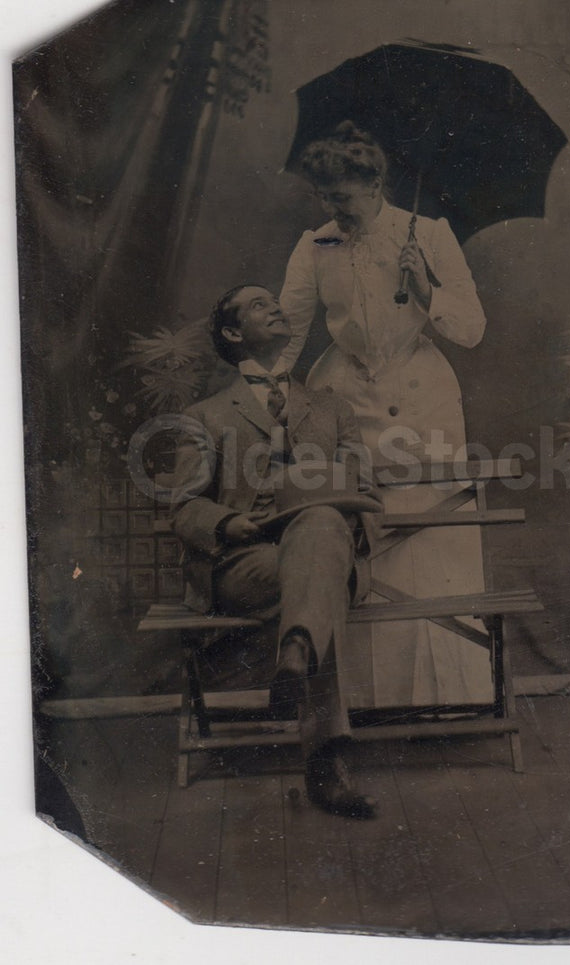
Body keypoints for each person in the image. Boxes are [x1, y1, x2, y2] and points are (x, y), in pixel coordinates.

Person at [279, 121, 492, 708]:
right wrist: (269, 391)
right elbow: (289, 331)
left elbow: (472, 329)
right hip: (344, 400)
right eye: (324, 198)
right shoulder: (317, 244)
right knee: (359, 532)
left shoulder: (429, 234)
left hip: (424, 405)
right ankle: (359, 703)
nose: (333, 211)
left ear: (374, 185)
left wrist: (426, 290)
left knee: (428, 534)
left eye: (342, 197)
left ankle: (446, 696)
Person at [169, 283, 378, 819]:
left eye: (276, 301)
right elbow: (184, 507)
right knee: (320, 585)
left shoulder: (331, 407)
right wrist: (226, 521)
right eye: (259, 304)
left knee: (322, 533)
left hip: (322, 546)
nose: (276, 307)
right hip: (248, 560)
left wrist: (338, 504)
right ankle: (327, 759)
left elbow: (364, 486)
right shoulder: (205, 416)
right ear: (234, 333)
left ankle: (297, 648)